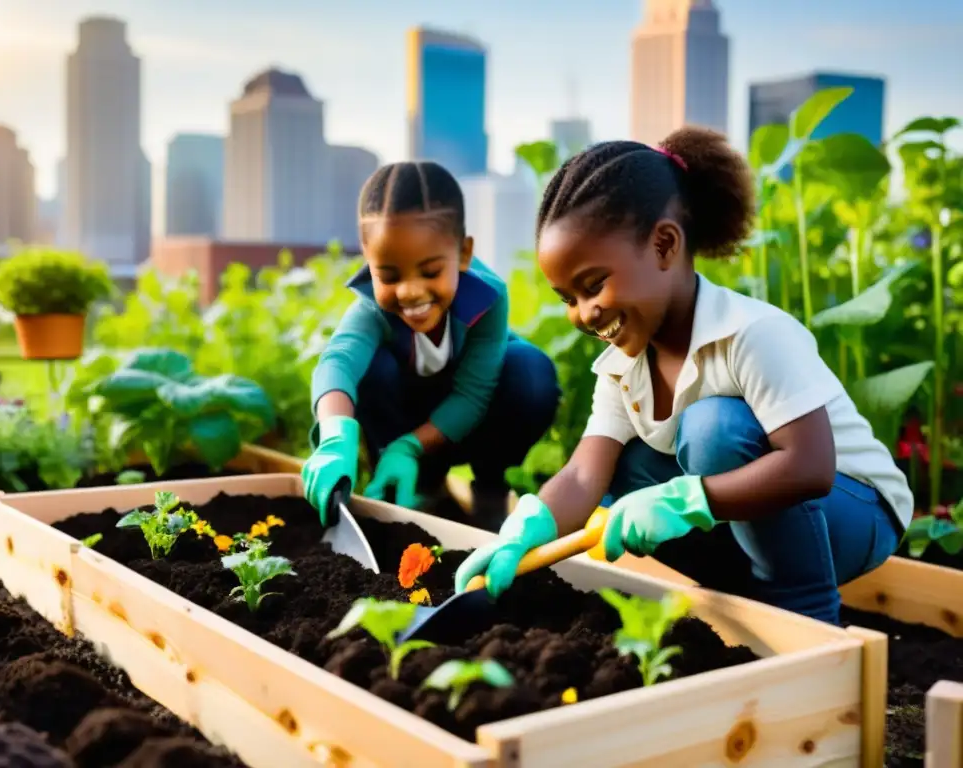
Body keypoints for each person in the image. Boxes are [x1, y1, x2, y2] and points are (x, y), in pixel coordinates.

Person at [454, 128, 912, 625]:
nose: (584, 313)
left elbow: (810, 467)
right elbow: (584, 474)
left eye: (593, 286)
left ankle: (808, 614)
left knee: (714, 428)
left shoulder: (751, 333)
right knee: (622, 477)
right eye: (568, 299)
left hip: (855, 512)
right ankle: (734, 600)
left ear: (665, 245)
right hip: (758, 523)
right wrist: (524, 531)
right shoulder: (621, 367)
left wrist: (687, 499)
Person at [302, 161, 561, 530]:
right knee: (370, 369)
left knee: (530, 373)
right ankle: (411, 487)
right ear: (368, 259)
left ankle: (489, 493)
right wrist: (335, 436)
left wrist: (412, 445)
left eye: (430, 272)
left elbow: (474, 394)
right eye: (389, 275)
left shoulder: (485, 298)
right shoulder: (373, 308)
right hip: (401, 421)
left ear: (464, 253)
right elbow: (338, 362)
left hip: (470, 422)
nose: (409, 291)